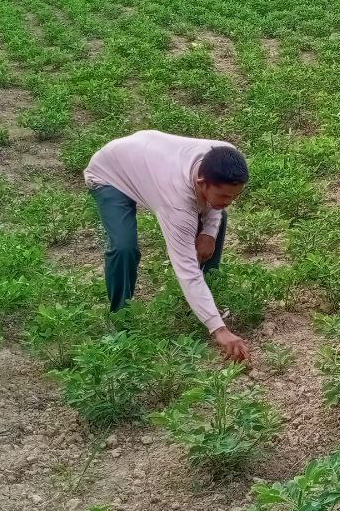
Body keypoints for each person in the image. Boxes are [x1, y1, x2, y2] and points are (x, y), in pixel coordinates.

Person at [84, 130, 251, 363]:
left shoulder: (226, 157)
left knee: (217, 219)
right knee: (124, 248)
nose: (229, 202)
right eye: (224, 196)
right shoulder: (177, 205)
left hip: (146, 158)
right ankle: (120, 321)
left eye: (234, 197)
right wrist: (219, 330)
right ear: (201, 183)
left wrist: (209, 234)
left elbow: (215, 206)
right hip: (110, 173)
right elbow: (186, 270)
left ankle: (208, 291)